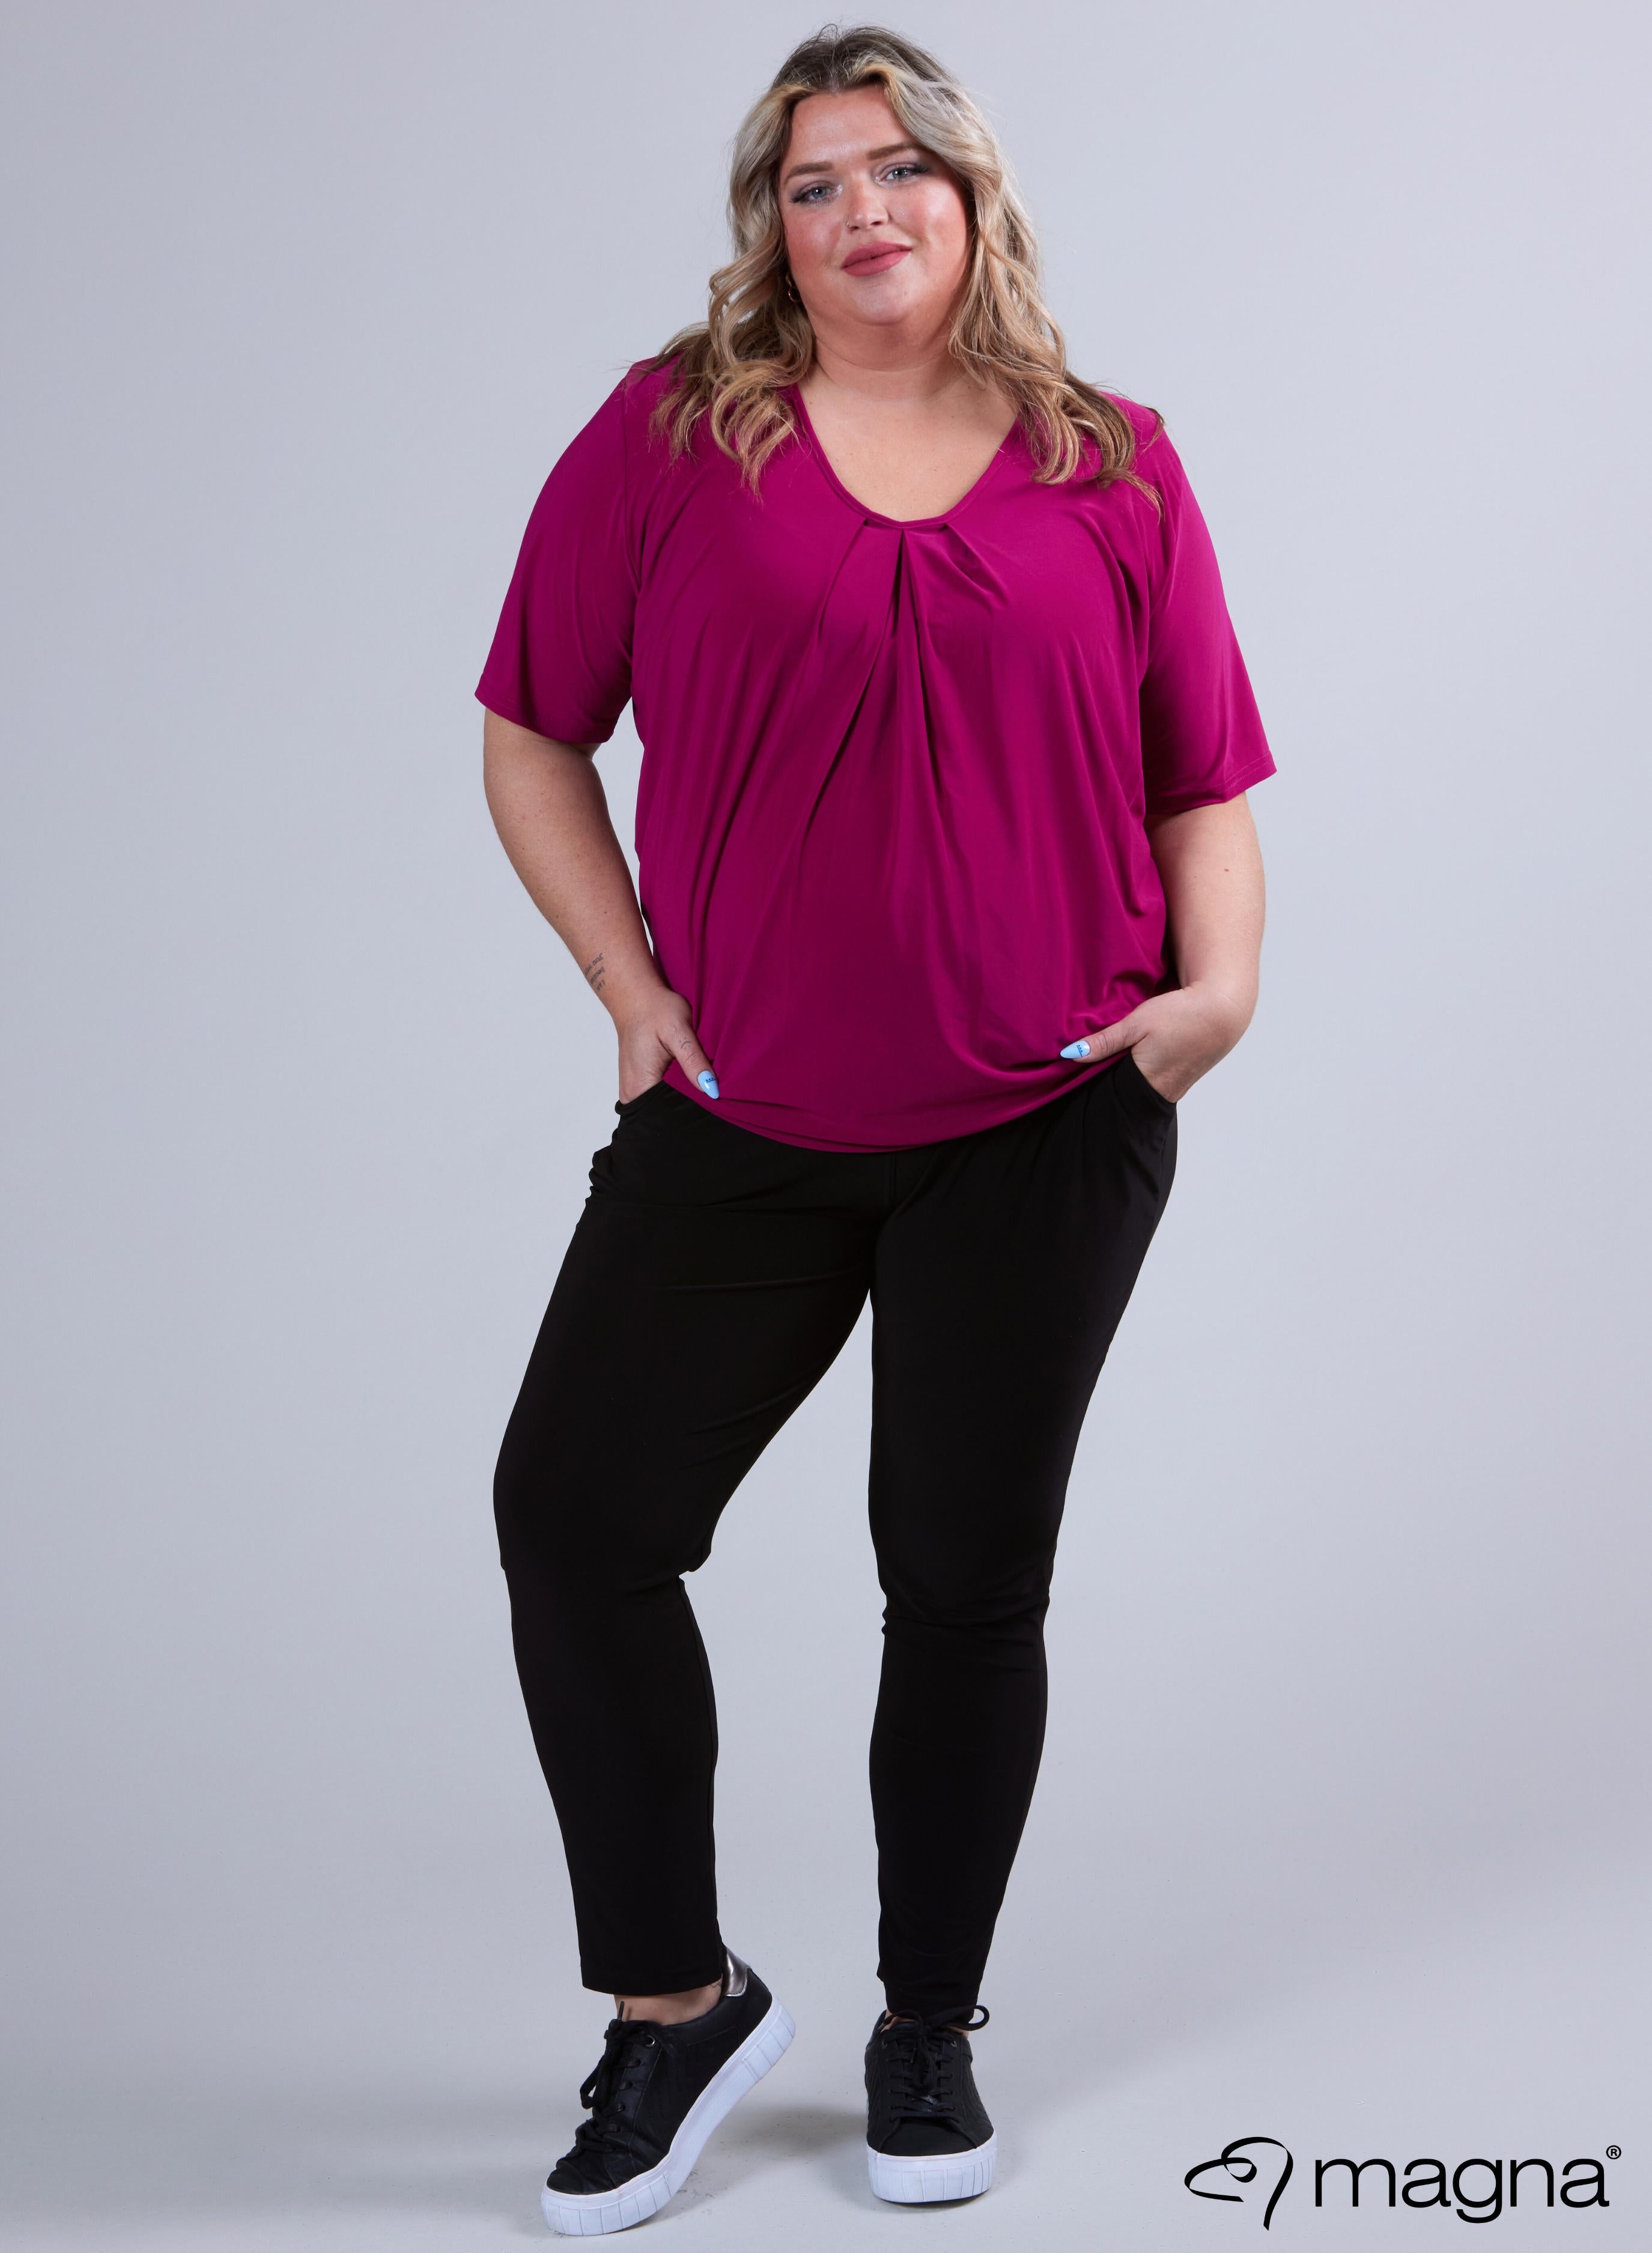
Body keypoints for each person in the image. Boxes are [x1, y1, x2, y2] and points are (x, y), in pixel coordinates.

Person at [476, 23, 1273, 2236]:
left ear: (972, 198)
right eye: (813, 182)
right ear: (773, 225)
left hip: (1044, 1125)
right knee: (579, 1520)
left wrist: (1215, 1002)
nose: (861, 212)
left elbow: (1203, 774)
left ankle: (929, 2027)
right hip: (744, 1119)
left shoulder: (1116, 461)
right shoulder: (668, 439)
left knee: (962, 1580)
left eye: (899, 170)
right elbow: (531, 729)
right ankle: (675, 2008)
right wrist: (630, 987)